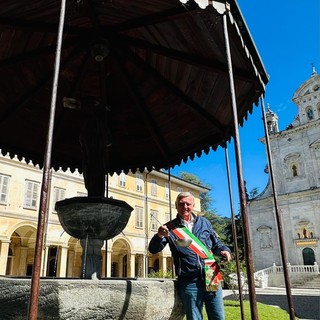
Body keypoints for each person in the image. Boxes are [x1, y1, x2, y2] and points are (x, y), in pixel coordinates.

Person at [148, 192, 231, 320]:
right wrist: (159, 236)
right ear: (176, 206)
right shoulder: (169, 227)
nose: (184, 207)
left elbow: (216, 244)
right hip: (189, 279)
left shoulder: (205, 223)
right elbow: (153, 249)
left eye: (188, 204)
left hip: (211, 274)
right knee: (194, 318)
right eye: (181, 204)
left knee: (218, 317)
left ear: (193, 205)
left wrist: (224, 250)